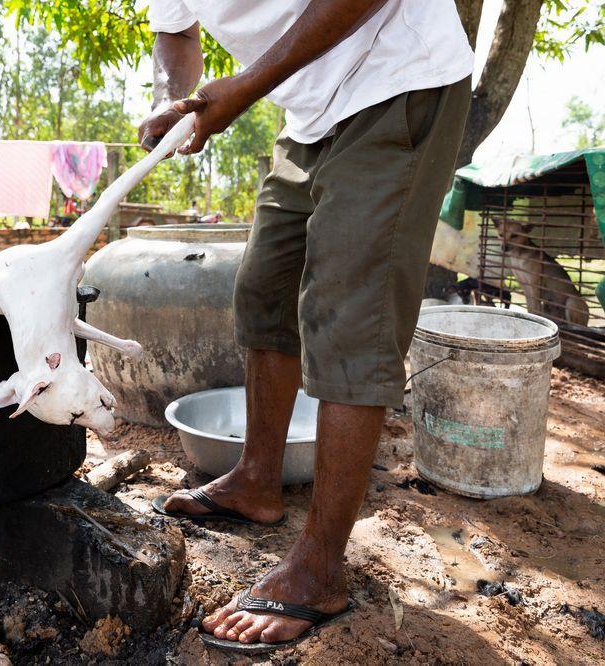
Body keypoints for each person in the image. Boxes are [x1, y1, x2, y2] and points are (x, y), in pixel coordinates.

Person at [139, 0, 474, 653]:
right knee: (266, 289)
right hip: (311, 112)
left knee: (353, 309)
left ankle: (321, 568)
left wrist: (245, 87)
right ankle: (257, 480)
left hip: (398, 75)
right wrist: (174, 101)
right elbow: (175, 29)